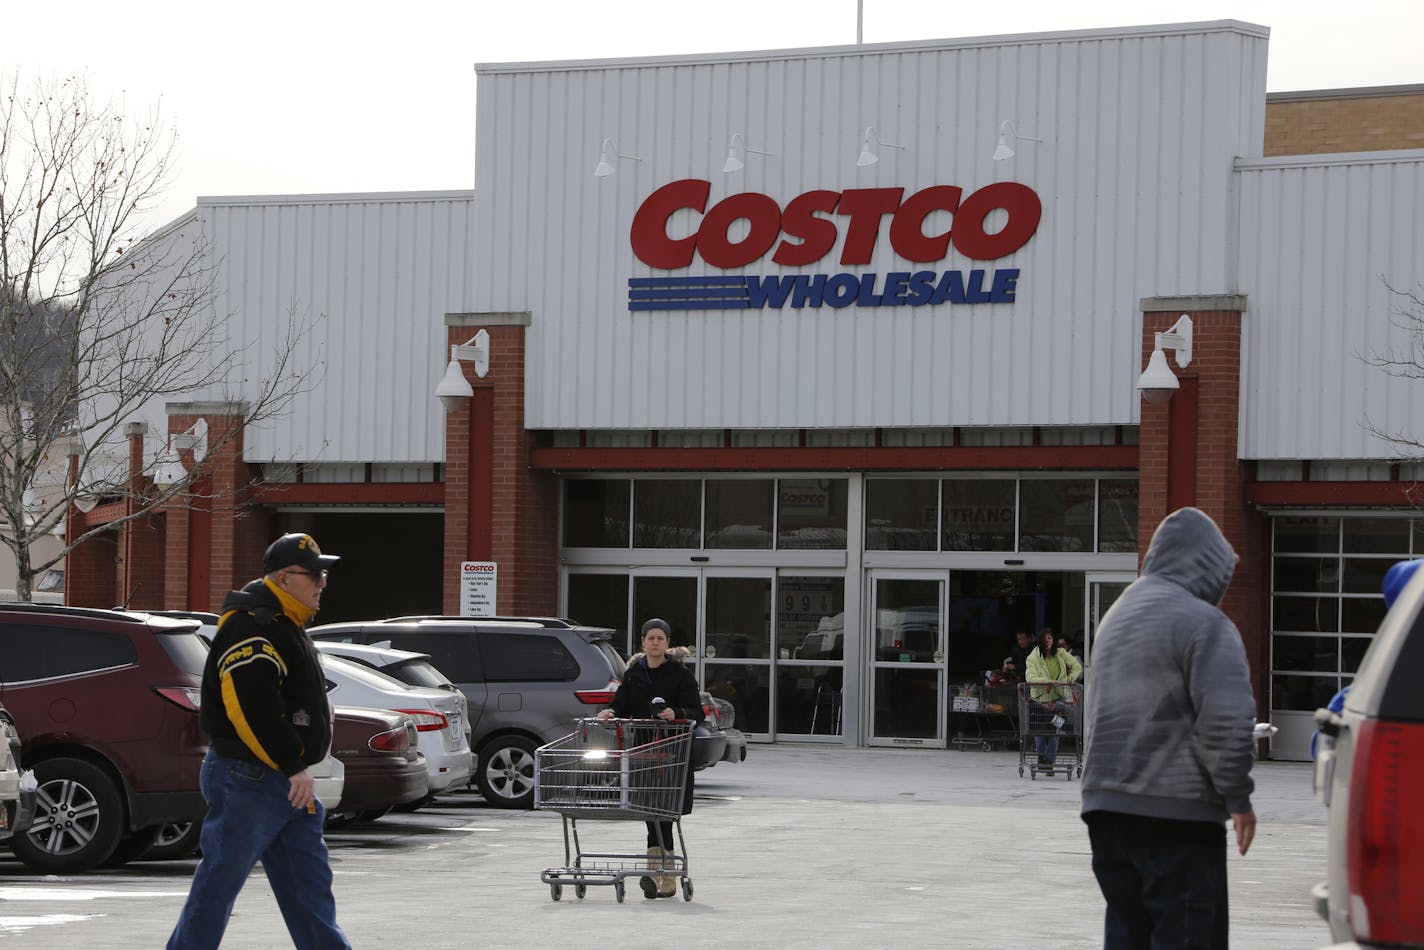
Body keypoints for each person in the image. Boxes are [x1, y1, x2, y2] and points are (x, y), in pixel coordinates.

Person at [1080, 507, 1257, 950]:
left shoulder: (1116, 618)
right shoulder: (1205, 624)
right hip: (1177, 819)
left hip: (1106, 814)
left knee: (1127, 936)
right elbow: (1226, 721)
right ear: (1206, 567)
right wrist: (1238, 797)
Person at [168, 533, 351, 949]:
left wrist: (293, 769)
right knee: (219, 886)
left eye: (324, 575)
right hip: (249, 777)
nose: (322, 583)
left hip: (282, 781)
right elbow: (248, 706)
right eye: (315, 575)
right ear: (284, 578)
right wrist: (292, 765)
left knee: (310, 888)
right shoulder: (252, 625)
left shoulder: (283, 623)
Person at [596, 618, 704, 899]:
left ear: (667, 643)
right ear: (643, 642)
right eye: (650, 638)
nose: (655, 643)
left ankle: (663, 878)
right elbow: (621, 704)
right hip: (643, 753)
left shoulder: (680, 674)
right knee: (649, 813)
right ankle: (656, 874)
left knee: (665, 814)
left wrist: (675, 713)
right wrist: (609, 712)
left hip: (672, 753)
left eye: (660, 638)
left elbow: (696, 711)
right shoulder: (634, 673)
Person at [1024, 626, 1083, 776]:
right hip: (1040, 699)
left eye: (1050, 638)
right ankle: (1041, 759)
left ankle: (1049, 762)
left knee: (1056, 729)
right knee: (1040, 731)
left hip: (1058, 697)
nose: (1048, 641)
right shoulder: (1033, 658)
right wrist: (1048, 681)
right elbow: (1031, 678)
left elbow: (1077, 667)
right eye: (1045, 639)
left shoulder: (1061, 653)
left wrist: (1067, 680)